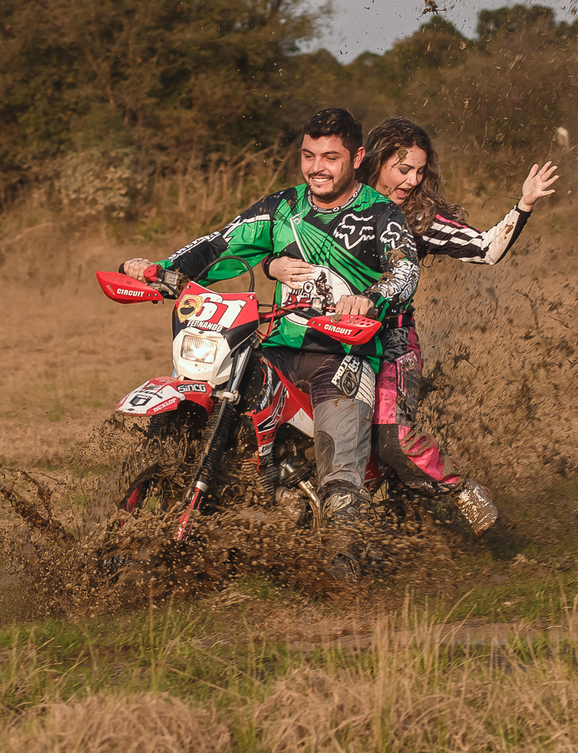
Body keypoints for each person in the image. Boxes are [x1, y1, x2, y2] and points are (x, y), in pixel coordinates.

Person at [122, 108, 419, 569]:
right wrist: (161, 270)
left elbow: (405, 269)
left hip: (343, 355)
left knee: (339, 478)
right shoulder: (282, 207)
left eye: (331, 157)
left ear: (358, 158)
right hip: (278, 347)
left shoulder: (381, 213)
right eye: (308, 155)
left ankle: (347, 562)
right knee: (221, 393)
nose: (317, 168)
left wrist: (372, 298)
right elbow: (219, 244)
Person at [266, 117, 558, 536]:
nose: (412, 180)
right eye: (403, 169)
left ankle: (461, 490)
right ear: (375, 160)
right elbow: (275, 240)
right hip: (317, 338)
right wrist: (271, 264)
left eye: (419, 172)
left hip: (391, 342)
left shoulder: (420, 217)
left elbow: (486, 248)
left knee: (393, 439)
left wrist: (524, 203)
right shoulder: (326, 199)